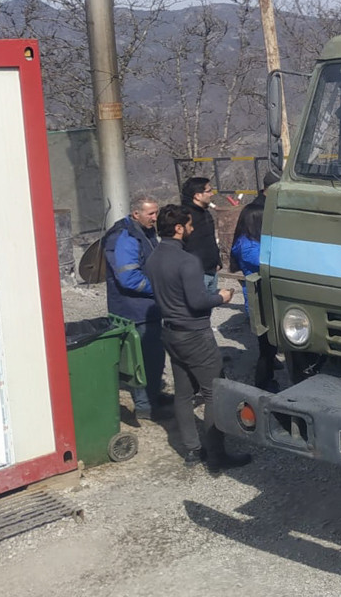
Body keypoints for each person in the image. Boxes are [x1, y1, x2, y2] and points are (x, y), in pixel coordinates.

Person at [145, 204, 250, 470]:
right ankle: (217, 455)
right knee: (214, 392)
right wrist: (221, 297)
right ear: (179, 228)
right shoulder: (187, 261)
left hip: (170, 332)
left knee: (183, 394)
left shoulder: (153, 257)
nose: (193, 229)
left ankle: (192, 450)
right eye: (190, 225)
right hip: (194, 334)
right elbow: (197, 301)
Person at [102, 194, 169, 421]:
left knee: (155, 356)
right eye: (151, 213)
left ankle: (154, 395)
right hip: (134, 310)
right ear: (136, 214)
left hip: (147, 307)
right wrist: (159, 288)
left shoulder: (144, 231)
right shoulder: (125, 237)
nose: (155, 217)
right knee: (142, 360)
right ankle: (145, 407)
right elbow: (129, 279)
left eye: (156, 212)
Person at [230, 179, 280, 393]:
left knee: (270, 345)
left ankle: (270, 369)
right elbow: (269, 262)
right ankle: (263, 382)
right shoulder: (247, 247)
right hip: (259, 302)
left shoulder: (251, 241)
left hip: (264, 298)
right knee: (265, 347)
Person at [181, 177, 221, 295]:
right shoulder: (185, 216)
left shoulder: (205, 213)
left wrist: (217, 261)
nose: (212, 194)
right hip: (197, 274)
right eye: (208, 191)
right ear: (197, 196)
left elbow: (210, 240)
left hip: (212, 270)